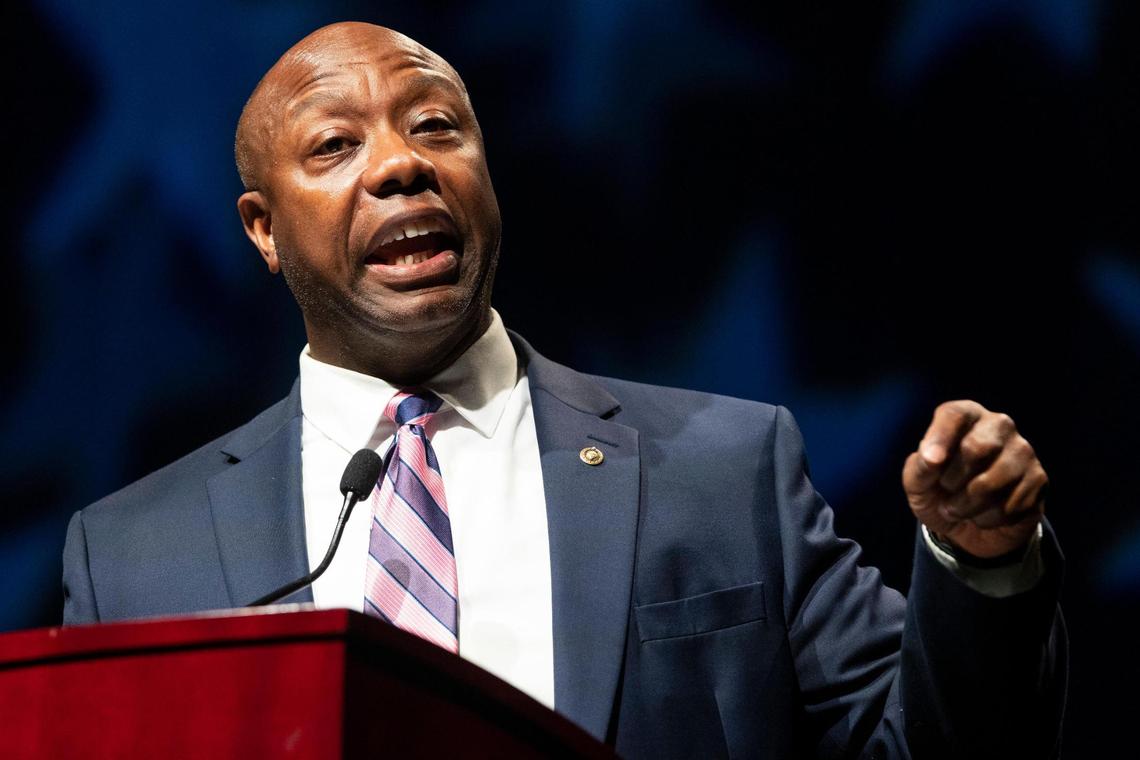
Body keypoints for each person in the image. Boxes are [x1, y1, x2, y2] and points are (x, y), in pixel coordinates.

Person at [62, 22, 1066, 758]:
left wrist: (980, 565)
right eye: (336, 146)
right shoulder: (132, 558)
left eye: (437, 128)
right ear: (262, 229)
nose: (403, 164)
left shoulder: (725, 472)